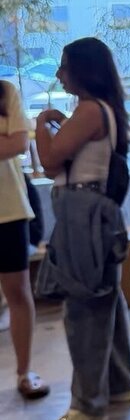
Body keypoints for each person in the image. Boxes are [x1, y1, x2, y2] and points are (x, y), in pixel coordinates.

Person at [35, 38, 130, 420]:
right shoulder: (102, 109)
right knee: (105, 299)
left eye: (64, 66)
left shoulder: (90, 110)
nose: (59, 74)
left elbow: (49, 160)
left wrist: (42, 122)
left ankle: (87, 407)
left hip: (82, 214)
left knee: (83, 309)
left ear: (83, 70)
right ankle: (118, 386)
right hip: (95, 212)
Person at [0, 80, 48, 399]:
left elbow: (18, 143)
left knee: (18, 292)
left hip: (8, 210)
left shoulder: (6, 91)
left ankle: (24, 371)